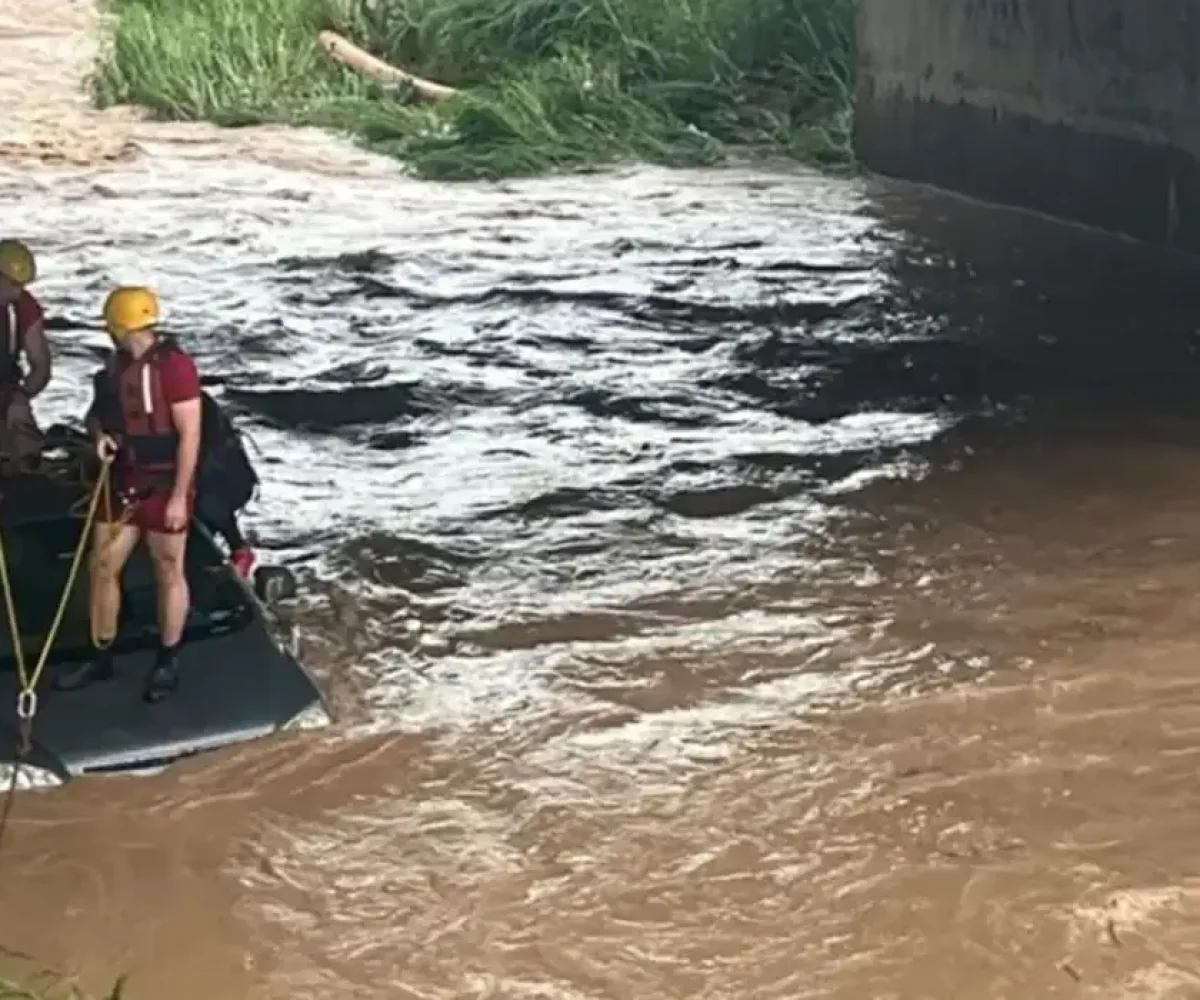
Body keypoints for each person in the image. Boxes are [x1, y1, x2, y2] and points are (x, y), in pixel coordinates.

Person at [54, 286, 201, 702]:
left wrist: (179, 497)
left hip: (163, 483)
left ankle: (167, 660)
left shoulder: (175, 367)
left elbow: (190, 435)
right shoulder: (114, 368)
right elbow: (96, 416)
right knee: (101, 565)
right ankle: (100, 656)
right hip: (122, 480)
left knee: (167, 568)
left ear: (118, 325)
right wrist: (100, 436)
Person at [0, 239, 51, 468]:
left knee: (27, 454)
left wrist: (22, 397)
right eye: (12, 284)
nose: (16, 292)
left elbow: (41, 366)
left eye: (21, 285)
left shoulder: (24, 307)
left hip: (6, 393)